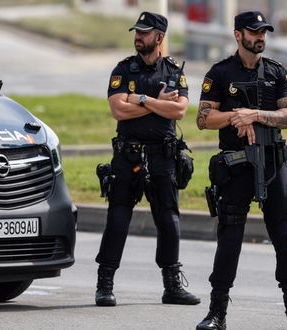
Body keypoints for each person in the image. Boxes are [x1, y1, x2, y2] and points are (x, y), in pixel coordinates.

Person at [195, 11, 287, 330]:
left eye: (264, 32)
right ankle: (216, 312)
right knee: (230, 237)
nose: (260, 36)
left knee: (285, 235)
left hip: (272, 163)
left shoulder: (276, 72)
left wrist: (256, 115)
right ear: (238, 35)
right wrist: (237, 116)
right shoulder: (220, 73)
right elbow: (204, 119)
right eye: (254, 31)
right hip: (236, 165)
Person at [94, 11, 200, 307]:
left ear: (160, 38)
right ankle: (105, 284)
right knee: (118, 219)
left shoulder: (174, 71)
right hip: (128, 156)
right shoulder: (123, 70)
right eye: (137, 32)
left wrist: (138, 99)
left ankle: (172, 285)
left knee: (169, 221)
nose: (138, 36)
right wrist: (154, 103)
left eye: (145, 32)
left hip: (163, 156)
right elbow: (118, 110)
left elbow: (179, 111)